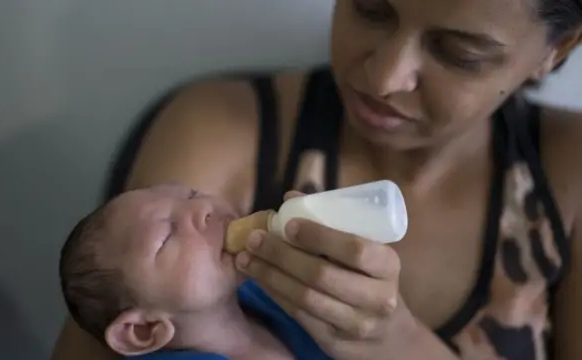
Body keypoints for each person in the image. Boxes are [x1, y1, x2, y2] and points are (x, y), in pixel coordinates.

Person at [52, 0, 582, 358]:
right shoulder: (221, 131)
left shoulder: (568, 171)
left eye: (459, 53)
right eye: (369, 8)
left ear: (556, 51)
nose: (384, 77)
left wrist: (396, 344)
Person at [58, 183, 329, 360]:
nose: (203, 208)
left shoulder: (263, 293)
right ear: (143, 329)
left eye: (192, 195)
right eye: (168, 235)